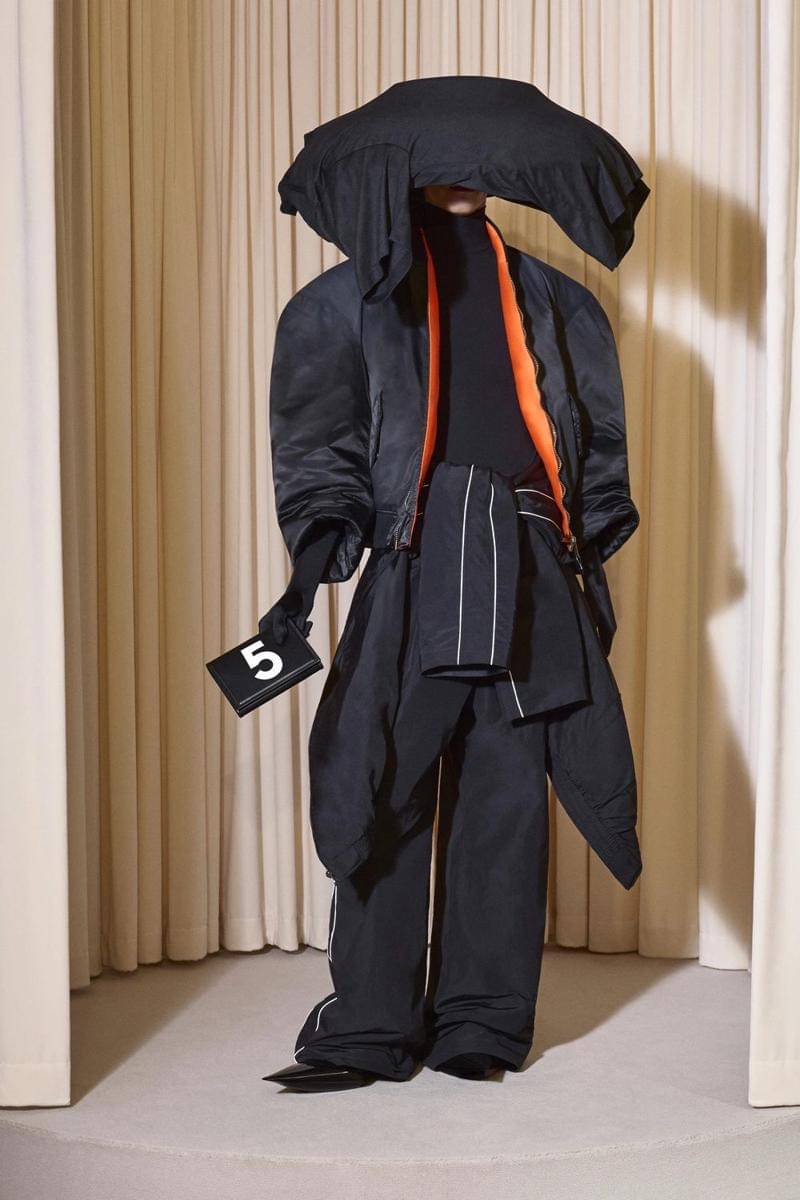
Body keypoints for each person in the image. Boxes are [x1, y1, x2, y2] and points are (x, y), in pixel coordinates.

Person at [261, 182, 642, 1092]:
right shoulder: (343, 300)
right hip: (413, 561)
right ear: (403, 171)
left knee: (507, 799)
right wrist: (311, 569)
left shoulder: (560, 300)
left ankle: (483, 1019)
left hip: (527, 568)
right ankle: (371, 1024)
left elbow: (597, 452)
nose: (463, 173)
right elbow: (320, 449)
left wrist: (581, 564)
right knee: (382, 788)